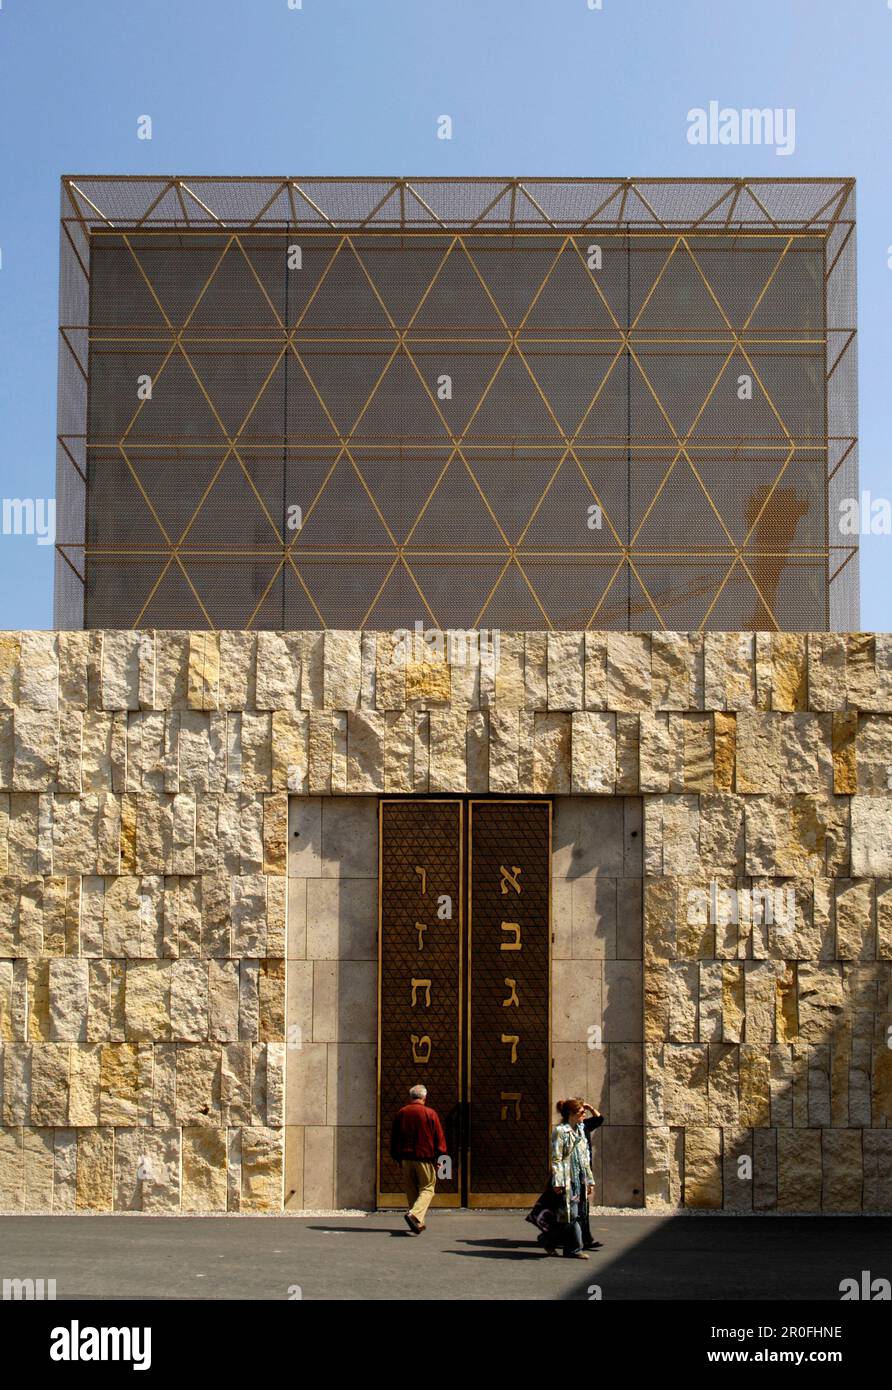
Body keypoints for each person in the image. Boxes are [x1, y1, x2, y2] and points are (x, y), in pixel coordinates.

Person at [390, 1084, 448, 1234]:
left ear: (411, 1097)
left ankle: (418, 1222)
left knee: (411, 1190)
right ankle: (414, 1215)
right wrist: (441, 1158)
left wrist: (397, 1158)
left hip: (406, 1158)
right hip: (424, 1157)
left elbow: (394, 1137)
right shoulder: (430, 1113)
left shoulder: (402, 1112)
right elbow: (438, 1137)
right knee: (428, 1188)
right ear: (424, 1097)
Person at [548, 1097, 596, 1258]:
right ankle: (574, 1249)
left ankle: (548, 1240)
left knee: (573, 1214)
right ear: (571, 1114)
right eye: (581, 1112)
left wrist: (589, 1180)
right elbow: (556, 1157)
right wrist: (558, 1181)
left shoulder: (581, 1130)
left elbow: (585, 1156)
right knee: (572, 1214)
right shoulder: (560, 1131)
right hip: (568, 1177)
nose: (584, 1114)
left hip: (579, 1176)